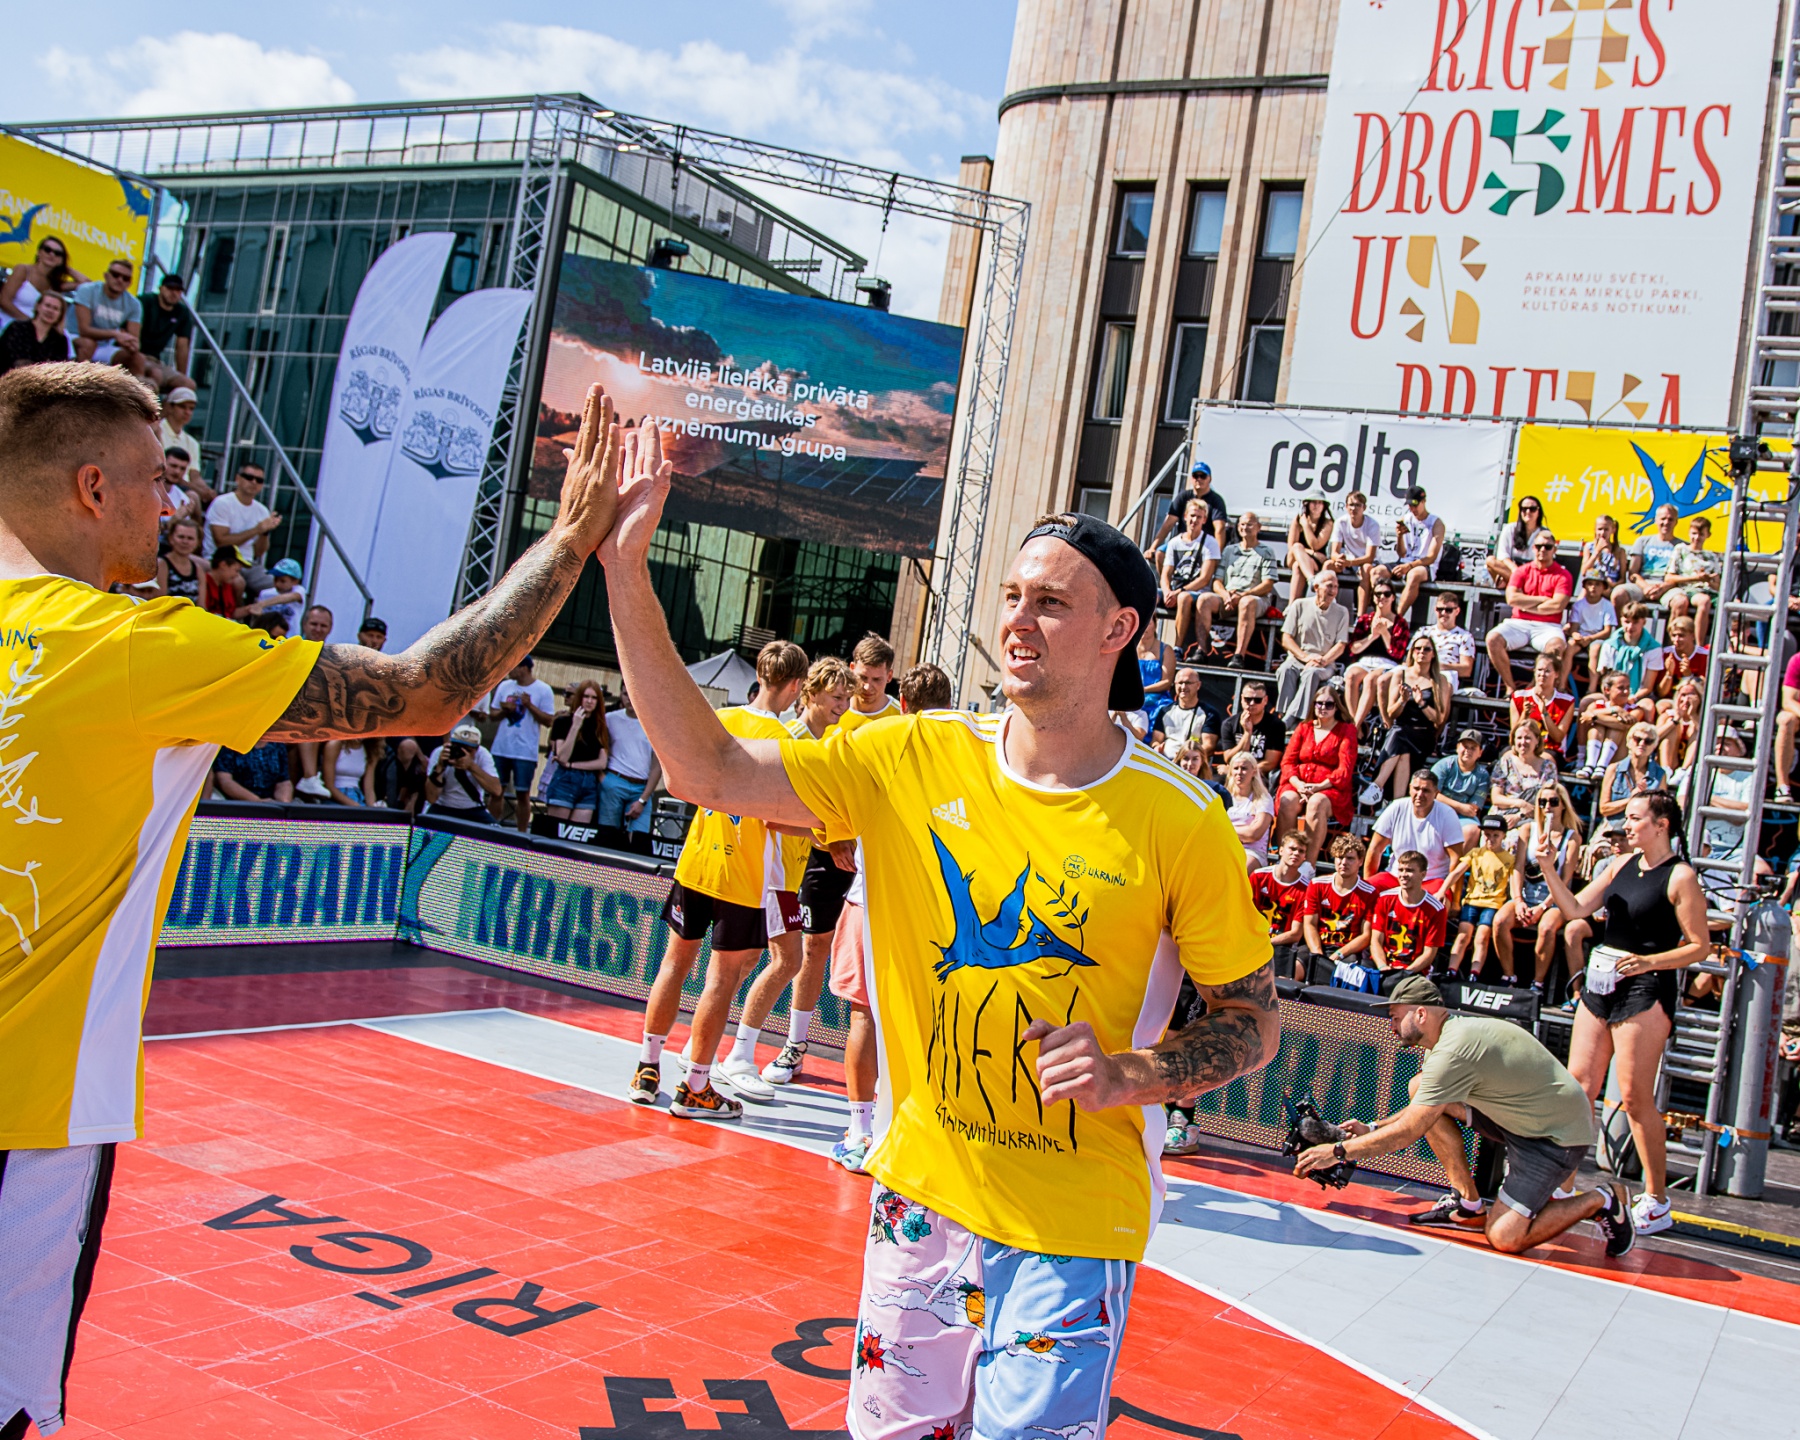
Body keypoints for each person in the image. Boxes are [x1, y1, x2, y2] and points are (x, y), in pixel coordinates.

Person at [598, 394, 1278, 1435]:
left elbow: (1252, 1020)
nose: (1018, 620)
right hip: (919, 1196)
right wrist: (625, 572)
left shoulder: (1180, 820)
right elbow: (709, 768)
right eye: (1012, 595)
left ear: (1119, 630)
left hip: (1071, 1223)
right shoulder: (914, 757)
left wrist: (1133, 1075)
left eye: (1051, 602)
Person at [0, 364, 627, 1439]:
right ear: (93, 489)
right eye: (157, 478)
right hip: (29, 1109)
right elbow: (427, 690)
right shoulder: (131, 646)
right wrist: (570, 540)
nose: (174, 500)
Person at [1294, 976, 1632, 1258]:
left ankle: (1604, 1198)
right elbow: (1424, 1107)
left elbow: (1409, 1131)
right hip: (1522, 1119)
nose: (1391, 1026)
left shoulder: (1453, 1051)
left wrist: (1337, 1152)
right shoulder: (1447, 1039)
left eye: (1396, 1017)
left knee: (1505, 1237)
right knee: (1419, 1087)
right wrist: (1372, 1128)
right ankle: (1468, 1205)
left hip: (1555, 1137)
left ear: (1421, 1014)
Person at [627, 640, 808, 1119]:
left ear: (760, 676)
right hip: (742, 876)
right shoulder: (787, 744)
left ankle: (647, 1067)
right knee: (721, 979)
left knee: (673, 963)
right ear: (794, 686)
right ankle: (695, 1086)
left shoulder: (719, 720)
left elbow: (680, 781)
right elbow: (782, 817)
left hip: (697, 862)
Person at [1534, 792, 1711, 1239]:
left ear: (1661, 824)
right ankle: (1563, 1183)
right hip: (1601, 983)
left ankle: (1656, 1199)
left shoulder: (1680, 876)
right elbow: (1575, 909)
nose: (1626, 826)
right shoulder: (1619, 865)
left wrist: (1650, 962)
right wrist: (1549, 868)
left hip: (1645, 988)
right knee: (1579, 1088)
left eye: (1634, 818)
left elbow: (1700, 946)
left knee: (1633, 1097)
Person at [824, 661, 954, 1173]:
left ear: (901, 703)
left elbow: (824, 798)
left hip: (873, 901)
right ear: (948, 706)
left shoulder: (874, 745)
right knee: (925, 1021)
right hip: (929, 909)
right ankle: (905, 1130)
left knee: (864, 1016)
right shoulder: (963, 761)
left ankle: (862, 1132)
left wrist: (832, 835)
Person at [719, 657, 854, 1102]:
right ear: (809, 694)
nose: (843, 705)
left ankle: (709, 1045)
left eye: (847, 698)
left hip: (787, 871)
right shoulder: (791, 741)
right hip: (772, 870)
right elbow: (772, 815)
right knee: (786, 961)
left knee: (748, 961)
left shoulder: (825, 741)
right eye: (836, 697)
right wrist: (828, 834)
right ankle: (738, 1055)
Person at [1494, 785, 1583, 992]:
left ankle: (1538, 982)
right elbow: (1518, 867)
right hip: (1527, 894)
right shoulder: (1528, 830)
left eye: (1553, 802)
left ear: (1563, 805)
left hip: (1555, 900)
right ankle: (1509, 976)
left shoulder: (1572, 838)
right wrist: (1518, 900)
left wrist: (1543, 907)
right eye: (1542, 802)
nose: (1547, 807)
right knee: (1499, 921)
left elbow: (1565, 879)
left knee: (1547, 927)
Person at [1362, 633, 1451, 803]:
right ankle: (1397, 803)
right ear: (1412, 652)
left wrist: (1421, 703)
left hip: (1422, 734)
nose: (1421, 652)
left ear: (1433, 654)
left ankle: (1377, 785)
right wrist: (1402, 701)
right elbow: (1391, 713)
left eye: (1426, 649)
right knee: (1402, 748)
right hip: (1401, 730)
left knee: (1400, 737)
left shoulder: (1440, 680)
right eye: (1418, 648)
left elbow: (1439, 719)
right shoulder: (1400, 675)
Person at [1276, 684, 1357, 863]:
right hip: (1299, 783)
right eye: (1319, 703)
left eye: (1329, 704)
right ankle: (1285, 859)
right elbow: (1288, 761)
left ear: (1337, 707)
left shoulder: (1347, 730)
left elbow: (1344, 769)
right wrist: (1299, 785)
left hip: (1330, 787)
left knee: (1316, 803)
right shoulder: (1304, 727)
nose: (1323, 707)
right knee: (1287, 800)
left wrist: (1318, 787)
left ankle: (1308, 864)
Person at [1486, 531, 1572, 693]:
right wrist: (1543, 599)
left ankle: (1533, 689)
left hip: (1548, 625)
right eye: (1539, 546)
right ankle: (1510, 688)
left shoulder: (1563, 575)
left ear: (1554, 549)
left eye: (1547, 547)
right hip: (1518, 622)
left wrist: (1525, 603)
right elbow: (1511, 598)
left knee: (1556, 646)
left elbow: (1558, 605)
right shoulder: (1521, 571)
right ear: (1533, 548)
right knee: (1492, 639)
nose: (1542, 550)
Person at [483, 655, 557, 832]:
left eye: (513, 667)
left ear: (524, 668)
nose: (509, 671)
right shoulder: (505, 686)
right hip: (501, 748)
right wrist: (505, 710)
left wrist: (529, 705)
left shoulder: (543, 689)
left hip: (525, 751)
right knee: (496, 791)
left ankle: (521, 832)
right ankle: (491, 829)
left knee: (523, 793)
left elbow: (549, 720)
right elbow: (492, 715)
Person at [1197, 510, 1279, 669]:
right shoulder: (1229, 550)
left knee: (1246, 603)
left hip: (1255, 598)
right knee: (1204, 599)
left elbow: (1268, 584)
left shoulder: (1267, 551)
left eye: (1249, 524)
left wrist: (1242, 595)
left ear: (1258, 527)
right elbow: (1217, 581)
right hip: (1229, 597)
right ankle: (1201, 651)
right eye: (1242, 524)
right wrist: (1226, 596)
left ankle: (1238, 656)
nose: (1245, 527)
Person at [1364, 771, 1465, 892]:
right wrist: (1367, 887)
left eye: (1426, 790)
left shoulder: (1447, 814)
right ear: (1410, 788)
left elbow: (1456, 859)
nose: (1420, 794)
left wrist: (1455, 901)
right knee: (1365, 892)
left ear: (1436, 793)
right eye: (1416, 789)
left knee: (1440, 899)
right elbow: (1375, 849)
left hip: (1432, 879)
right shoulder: (1396, 807)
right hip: (1396, 876)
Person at [1275, 568, 1349, 723]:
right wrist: (1305, 657)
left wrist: (1322, 660)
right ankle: (1283, 715)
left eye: (1336, 587)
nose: (1333, 591)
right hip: (1298, 658)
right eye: (1329, 586)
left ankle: (1290, 721)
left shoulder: (1342, 612)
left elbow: (1341, 645)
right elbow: (1286, 638)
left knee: (1311, 674)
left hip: (1324, 663)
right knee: (1285, 670)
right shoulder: (1299, 605)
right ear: (1316, 587)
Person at [1443, 814, 1514, 978]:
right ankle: (1451, 970)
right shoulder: (1475, 853)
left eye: (1496, 835)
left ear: (1504, 836)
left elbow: (1514, 882)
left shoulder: (1509, 859)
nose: (1491, 839)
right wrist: (1443, 889)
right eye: (1487, 835)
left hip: (1492, 904)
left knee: (1482, 937)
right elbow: (1457, 872)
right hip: (1472, 901)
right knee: (1463, 935)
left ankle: (1474, 973)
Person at [1302, 833, 1377, 983]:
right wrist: (1318, 954)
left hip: (1348, 950)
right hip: (1319, 945)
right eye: (1340, 857)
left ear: (1360, 861)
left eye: (1350, 858)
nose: (1344, 862)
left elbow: (1366, 935)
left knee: (1342, 976)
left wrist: (1339, 954)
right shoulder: (1317, 884)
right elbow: (1309, 924)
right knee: (1295, 967)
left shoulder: (1370, 893)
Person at [1367, 851, 1448, 986]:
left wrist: (1405, 973)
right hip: (1384, 966)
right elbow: (1376, 940)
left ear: (1423, 874)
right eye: (1401, 870)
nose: (1403, 874)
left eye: (1409, 870)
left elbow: (1429, 953)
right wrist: (1383, 967)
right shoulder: (1384, 898)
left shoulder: (1436, 909)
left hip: (1414, 972)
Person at [1159, 494, 1222, 658]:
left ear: (1204, 520)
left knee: (1184, 598)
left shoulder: (1210, 542)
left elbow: (1205, 578)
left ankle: (1178, 648)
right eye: (1192, 516)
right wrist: (1166, 591)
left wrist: (1178, 592)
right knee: (1148, 594)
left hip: (1196, 591)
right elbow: (1166, 573)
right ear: (1185, 516)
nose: (1195, 520)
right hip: (1175, 588)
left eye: (1199, 517)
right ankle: (1143, 643)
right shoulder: (1174, 542)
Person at [598, 689, 662, 847]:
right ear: (620, 695)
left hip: (641, 786)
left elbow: (657, 766)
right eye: (625, 694)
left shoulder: (654, 725)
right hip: (614, 780)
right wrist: (603, 778)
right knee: (607, 835)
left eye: (633, 693)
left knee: (639, 838)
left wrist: (643, 799)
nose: (630, 698)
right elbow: (597, 748)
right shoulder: (610, 719)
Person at [1343, 581, 1409, 728]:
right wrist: (1372, 637)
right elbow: (1353, 649)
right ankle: (1355, 724)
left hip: (1388, 664)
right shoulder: (1365, 620)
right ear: (1373, 597)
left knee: (1371, 679)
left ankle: (1355, 727)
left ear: (1393, 597)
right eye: (1378, 594)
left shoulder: (1400, 623)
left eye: (1387, 594)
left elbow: (1397, 654)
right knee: (1351, 676)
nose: (1382, 597)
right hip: (1365, 661)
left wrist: (1385, 633)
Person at [544, 681, 609, 823]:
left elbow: (601, 763)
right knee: (556, 830)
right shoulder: (562, 722)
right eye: (586, 696)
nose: (590, 701)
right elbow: (562, 757)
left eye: (594, 698)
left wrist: (572, 765)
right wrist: (575, 726)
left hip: (589, 782)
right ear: (579, 697)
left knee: (577, 832)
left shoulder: (600, 726)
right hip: (565, 780)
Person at [1251, 830, 1311, 981]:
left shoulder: (1306, 889)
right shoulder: (1259, 876)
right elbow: (1244, 914)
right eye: (1292, 848)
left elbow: (1295, 933)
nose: (1296, 853)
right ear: (1281, 850)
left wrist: (1267, 942)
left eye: (1301, 851)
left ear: (1305, 857)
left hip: (1282, 946)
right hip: (1253, 938)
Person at [1573, 669, 1654, 780]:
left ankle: (1602, 766)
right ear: (1607, 690)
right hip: (1597, 750)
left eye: (1628, 687)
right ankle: (1590, 765)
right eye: (1621, 688)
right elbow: (1585, 717)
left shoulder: (1636, 709)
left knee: (1613, 728)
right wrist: (1614, 710)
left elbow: (1623, 725)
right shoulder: (1596, 705)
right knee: (1597, 728)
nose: (1626, 691)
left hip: (1619, 755)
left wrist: (1595, 717)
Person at [205, 461, 280, 577]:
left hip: (248, 563)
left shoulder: (262, 510)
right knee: (239, 582)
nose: (254, 482)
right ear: (238, 479)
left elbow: (258, 552)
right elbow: (221, 542)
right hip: (220, 562)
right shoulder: (222, 503)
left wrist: (265, 532)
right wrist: (256, 530)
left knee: (277, 584)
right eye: (249, 477)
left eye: (259, 480)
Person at [1488, 719, 1560, 835]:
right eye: (1519, 738)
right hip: (1503, 816)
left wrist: (1519, 816)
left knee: (1521, 835)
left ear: (1537, 740)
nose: (1523, 742)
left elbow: (1548, 802)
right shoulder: (1505, 763)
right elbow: (1496, 798)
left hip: (1533, 819)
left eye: (1527, 738)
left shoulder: (1548, 767)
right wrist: (1521, 804)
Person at [70, 259, 143, 371]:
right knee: (88, 345)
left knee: (138, 359)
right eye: (115, 275)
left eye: (125, 278)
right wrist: (115, 334)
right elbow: (84, 330)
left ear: (129, 283)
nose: (120, 280)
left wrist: (132, 345)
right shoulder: (87, 290)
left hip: (104, 346)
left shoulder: (134, 304)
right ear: (106, 276)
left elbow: (133, 339)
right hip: (74, 338)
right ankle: (80, 380)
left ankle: (136, 383)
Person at [1148, 457, 1230, 555]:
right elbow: (1168, 524)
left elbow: (1219, 529)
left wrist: (1217, 556)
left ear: (1210, 479)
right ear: (1191, 478)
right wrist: (1153, 548)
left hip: (1205, 545)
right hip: (1183, 542)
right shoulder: (1183, 496)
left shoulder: (1216, 500)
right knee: (1160, 553)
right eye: (1195, 476)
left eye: (1203, 476)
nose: (1199, 479)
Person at [1597, 722, 1667, 836]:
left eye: (1648, 741)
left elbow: (1661, 811)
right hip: (1612, 828)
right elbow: (1604, 809)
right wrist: (1632, 799)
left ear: (1654, 746)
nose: (1642, 744)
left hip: (1642, 831)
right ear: (1629, 742)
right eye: (1637, 739)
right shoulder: (1614, 769)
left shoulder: (1660, 775)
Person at [423, 721, 502, 821]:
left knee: (493, 829)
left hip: (473, 808)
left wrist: (471, 766)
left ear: (477, 749)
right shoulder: (440, 753)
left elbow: (496, 790)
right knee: (422, 829)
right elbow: (431, 798)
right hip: (442, 806)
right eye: (458, 747)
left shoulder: (483, 755)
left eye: (468, 750)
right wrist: (439, 767)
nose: (461, 752)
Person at [135, 270, 197, 391]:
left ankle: (168, 403)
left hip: (155, 360)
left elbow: (182, 346)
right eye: (170, 288)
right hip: (137, 356)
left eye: (178, 290)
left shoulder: (182, 312)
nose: (174, 293)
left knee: (188, 385)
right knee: (155, 375)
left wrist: (182, 375)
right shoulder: (145, 302)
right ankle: (149, 403)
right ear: (161, 288)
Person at [0, 234, 82, 325]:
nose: (51, 254)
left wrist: (65, 268)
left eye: (58, 253)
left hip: (35, 330)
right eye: (47, 250)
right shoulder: (23, 270)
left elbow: (85, 283)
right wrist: (30, 323)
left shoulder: (55, 283)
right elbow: (4, 301)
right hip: (7, 323)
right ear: (39, 252)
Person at [1389, 486, 1445, 615]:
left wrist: (1409, 566)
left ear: (1423, 502)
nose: (1412, 509)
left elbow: (1431, 557)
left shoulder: (1436, 523)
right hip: (1406, 561)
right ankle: (1378, 615)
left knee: (1414, 575)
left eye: (1415, 505)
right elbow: (1401, 553)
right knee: (1377, 572)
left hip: (1425, 566)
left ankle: (1397, 618)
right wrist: (1399, 536)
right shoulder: (1406, 518)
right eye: (1410, 505)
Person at [1431, 729, 1492, 848]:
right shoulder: (1444, 764)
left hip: (1462, 816)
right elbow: (1432, 793)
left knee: (1473, 830)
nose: (1468, 751)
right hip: (1437, 809)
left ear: (1480, 752)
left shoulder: (1482, 775)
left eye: (1473, 748)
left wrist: (1461, 809)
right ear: (1457, 748)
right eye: (1465, 746)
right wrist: (1459, 806)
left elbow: (1472, 808)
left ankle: (1458, 860)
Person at [1326, 489, 1384, 611]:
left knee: (1366, 569)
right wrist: (1339, 559)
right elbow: (1334, 553)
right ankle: (1323, 606)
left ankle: (1360, 616)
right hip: (1349, 561)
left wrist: (1350, 562)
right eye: (1351, 505)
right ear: (1346, 507)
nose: (1354, 508)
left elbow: (1369, 557)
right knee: (1328, 565)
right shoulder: (1340, 522)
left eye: (1358, 505)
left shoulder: (1373, 525)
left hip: (1366, 563)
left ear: (1364, 508)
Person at [1596, 601, 1663, 705]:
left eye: (1635, 622)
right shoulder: (1610, 645)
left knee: (1648, 706)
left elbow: (1647, 687)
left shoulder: (1653, 648)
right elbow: (1605, 679)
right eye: (1627, 622)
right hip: (1612, 695)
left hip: (1639, 696)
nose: (1630, 627)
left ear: (1644, 622)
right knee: (1587, 702)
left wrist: (1632, 698)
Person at [1663, 514, 1720, 639]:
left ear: (1708, 535)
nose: (1697, 537)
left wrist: (1709, 580)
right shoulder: (1681, 550)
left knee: (1729, 605)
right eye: (1694, 533)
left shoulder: (1711, 556)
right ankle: (1684, 641)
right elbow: (1669, 577)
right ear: (1689, 532)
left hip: (1708, 591)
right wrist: (1695, 578)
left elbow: (1717, 586)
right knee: (1703, 600)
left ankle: (1701, 645)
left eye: (1701, 534)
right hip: (1687, 589)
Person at [1509, 650, 1576, 756]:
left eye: (1547, 671)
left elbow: (1558, 737)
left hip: (1550, 749)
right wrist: (1525, 715)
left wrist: (1544, 713)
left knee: (1541, 760)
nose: (1542, 674)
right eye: (1539, 670)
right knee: (1507, 756)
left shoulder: (1566, 701)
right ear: (1534, 671)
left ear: (1557, 674)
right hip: (1523, 748)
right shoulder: (1519, 697)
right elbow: (1513, 737)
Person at [1617, 502, 1683, 608]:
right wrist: (1646, 587)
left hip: (1668, 587)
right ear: (1656, 520)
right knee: (1618, 594)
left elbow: (1681, 576)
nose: (1666, 522)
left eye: (1670, 519)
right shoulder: (1642, 541)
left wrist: (1662, 588)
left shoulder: (1682, 546)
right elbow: (1633, 573)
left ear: (1676, 522)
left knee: (1681, 602)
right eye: (1663, 519)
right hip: (1642, 584)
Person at [1217, 678, 1285, 779]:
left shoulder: (1276, 725)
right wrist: (1247, 733)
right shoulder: (1229, 724)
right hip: (1235, 774)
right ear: (1241, 699)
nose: (1252, 703)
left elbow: (1270, 763)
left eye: (1257, 700)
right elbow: (1229, 758)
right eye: (1248, 699)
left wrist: (1242, 772)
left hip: (1259, 776)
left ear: (1265, 700)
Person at [1151, 664, 1218, 762]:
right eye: (1180, 683)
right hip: (1165, 762)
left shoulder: (1209, 714)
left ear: (1198, 685)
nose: (1183, 687)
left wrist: (1185, 757)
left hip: (1192, 765)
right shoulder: (1165, 711)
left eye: (1188, 683)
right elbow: (1156, 740)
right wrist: (1157, 748)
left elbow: (1208, 745)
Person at [1566, 572, 1618, 692]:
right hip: (1581, 637)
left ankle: (1591, 689)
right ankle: (1562, 685)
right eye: (1590, 584)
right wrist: (1576, 635)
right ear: (1584, 586)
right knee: (1569, 647)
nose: (1593, 587)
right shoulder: (1578, 605)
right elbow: (1574, 628)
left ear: (1603, 587)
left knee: (1595, 650)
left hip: (1597, 638)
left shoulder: (1607, 606)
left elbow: (1607, 631)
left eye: (1597, 584)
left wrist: (1590, 638)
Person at [0, 290, 71, 374]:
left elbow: (59, 369)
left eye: (55, 308)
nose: (50, 311)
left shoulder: (60, 340)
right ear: (38, 306)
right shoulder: (17, 328)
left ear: (60, 314)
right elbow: (15, 360)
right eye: (47, 306)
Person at [1225, 751, 1276, 866]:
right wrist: (1244, 830)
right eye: (1236, 768)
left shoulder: (1263, 798)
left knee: (1239, 868)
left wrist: (1224, 829)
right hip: (1225, 847)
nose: (1239, 772)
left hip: (1252, 852)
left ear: (1254, 771)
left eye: (1244, 768)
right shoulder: (1224, 796)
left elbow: (1254, 834)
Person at [1419, 589, 1476, 686]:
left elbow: (1466, 670)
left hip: (1446, 674)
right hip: (1420, 670)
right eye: (1440, 609)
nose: (1443, 613)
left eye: (1448, 610)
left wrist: (1437, 666)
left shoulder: (1465, 636)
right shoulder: (1423, 631)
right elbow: (1408, 658)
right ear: (1435, 609)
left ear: (1457, 611)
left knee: (1443, 679)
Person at [1653, 616, 1708, 712]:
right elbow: (1661, 693)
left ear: (1693, 636)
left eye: (1681, 636)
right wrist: (1669, 673)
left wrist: (1688, 676)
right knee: (1662, 707)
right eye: (1673, 635)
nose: (1676, 639)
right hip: (1670, 700)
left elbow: (1704, 691)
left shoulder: (1705, 656)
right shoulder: (1664, 654)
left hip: (1696, 701)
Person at [1487, 495, 1543, 588]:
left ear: (1538, 512)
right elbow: (1503, 556)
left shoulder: (1544, 533)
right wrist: (1516, 570)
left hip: (1533, 572)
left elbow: (1547, 559)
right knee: (1490, 561)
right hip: (1512, 569)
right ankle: (1517, 584)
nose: (1528, 512)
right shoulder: (1510, 528)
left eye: (1532, 509)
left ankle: (1521, 585)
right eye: (1524, 509)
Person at [211, 741, 295, 803]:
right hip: (235, 803)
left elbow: (283, 781)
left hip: (271, 804)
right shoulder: (231, 745)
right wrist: (257, 801)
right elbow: (225, 781)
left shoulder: (278, 745)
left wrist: (283, 803)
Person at [1136, 618, 1178, 738]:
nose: (1144, 627)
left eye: (1148, 623)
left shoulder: (1166, 650)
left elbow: (1167, 682)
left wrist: (1143, 690)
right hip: (1133, 698)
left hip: (1157, 700)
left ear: (1155, 625)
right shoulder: (1130, 648)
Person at [1285, 497, 1332, 600]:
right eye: (1313, 502)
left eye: (1320, 502)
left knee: (1298, 566)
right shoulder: (1298, 519)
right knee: (1297, 546)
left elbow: (1315, 545)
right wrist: (1311, 552)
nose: (1316, 505)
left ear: (1324, 506)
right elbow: (1292, 545)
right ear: (1307, 504)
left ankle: (1292, 605)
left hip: (1314, 561)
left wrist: (1305, 525)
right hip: (1295, 556)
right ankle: (1311, 579)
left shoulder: (1327, 523)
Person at [1658, 675, 1704, 780]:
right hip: (1670, 759)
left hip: (1690, 764)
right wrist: (1676, 719)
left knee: (1696, 730)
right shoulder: (1667, 715)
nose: (1686, 699)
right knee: (1672, 726)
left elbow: (1706, 738)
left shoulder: (1703, 718)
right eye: (1683, 695)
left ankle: (1683, 771)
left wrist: (1693, 715)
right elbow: (1654, 737)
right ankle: (1666, 771)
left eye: (1691, 695)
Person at [244, 556, 304, 632]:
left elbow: (291, 597)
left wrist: (262, 604)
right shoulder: (265, 594)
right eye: (275, 579)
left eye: (282, 581)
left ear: (295, 581)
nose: (277, 584)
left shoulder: (299, 590)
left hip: (290, 636)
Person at [154, 516, 205, 602]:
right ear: (171, 538)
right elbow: (160, 600)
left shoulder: (198, 570)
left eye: (190, 538)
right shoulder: (161, 565)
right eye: (181, 537)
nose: (185, 542)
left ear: (198, 542)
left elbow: (201, 604)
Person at [322, 737, 380, 806]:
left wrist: (373, 807)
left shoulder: (370, 750)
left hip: (357, 796)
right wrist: (354, 805)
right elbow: (329, 786)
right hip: (335, 798)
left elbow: (369, 789)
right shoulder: (334, 745)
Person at [1775, 647, 1800, 804]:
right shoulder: (1798, 660)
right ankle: (1782, 786)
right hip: (1798, 713)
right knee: (1785, 720)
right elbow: (1788, 701)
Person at [201, 546, 244, 619]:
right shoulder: (204, 582)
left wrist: (250, 609)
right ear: (223, 565)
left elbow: (231, 613)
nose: (237, 575)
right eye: (236, 570)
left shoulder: (227, 585)